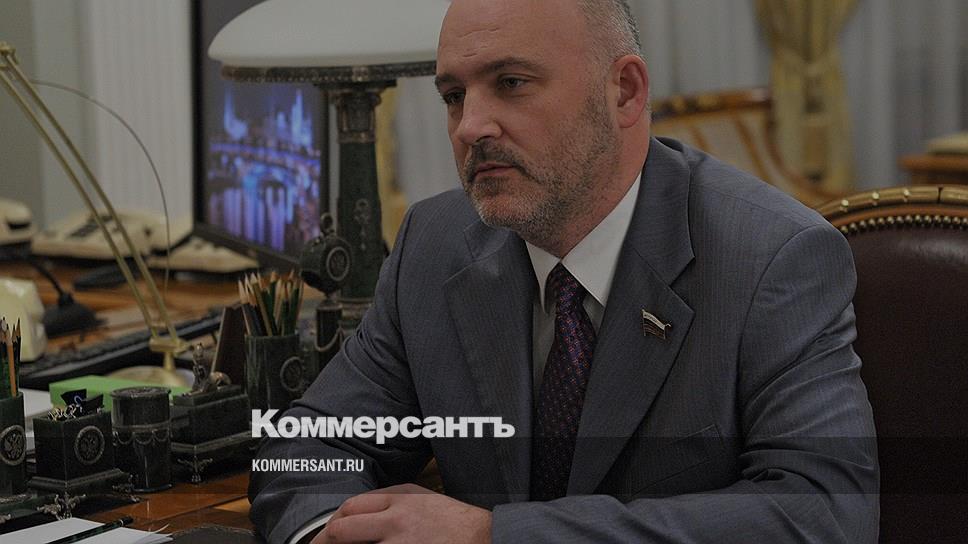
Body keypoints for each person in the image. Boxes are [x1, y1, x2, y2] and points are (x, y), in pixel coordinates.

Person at [249, 0, 879, 542]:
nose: (470, 126)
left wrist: (495, 536)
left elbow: (826, 514)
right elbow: (308, 446)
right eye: (453, 96)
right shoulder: (434, 245)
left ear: (624, 91)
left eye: (512, 83)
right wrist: (333, 532)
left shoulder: (771, 256)